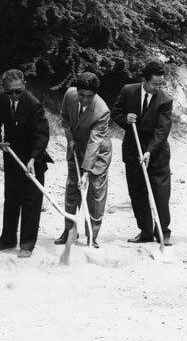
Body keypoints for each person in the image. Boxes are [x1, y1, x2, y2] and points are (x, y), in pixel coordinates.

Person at [0, 70, 52, 258]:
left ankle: (27, 245)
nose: (14, 95)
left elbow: (42, 134)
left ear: (24, 85)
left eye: (18, 91)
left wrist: (32, 159)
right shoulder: (2, 99)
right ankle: (7, 240)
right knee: (11, 198)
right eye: (10, 92)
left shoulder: (34, 104)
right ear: (3, 88)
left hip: (33, 158)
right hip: (12, 156)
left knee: (31, 201)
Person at [111, 60, 174, 245]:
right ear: (144, 80)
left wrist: (149, 152)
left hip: (156, 153)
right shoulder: (128, 91)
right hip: (133, 151)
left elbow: (162, 130)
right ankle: (146, 231)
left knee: (160, 194)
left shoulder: (165, 100)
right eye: (155, 84)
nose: (158, 87)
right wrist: (125, 118)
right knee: (137, 194)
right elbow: (116, 113)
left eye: (161, 84)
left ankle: (164, 232)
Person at [54, 72, 112, 248]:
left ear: (95, 94)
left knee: (95, 193)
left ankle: (91, 236)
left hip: (98, 153)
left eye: (89, 96)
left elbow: (94, 142)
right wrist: (70, 137)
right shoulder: (70, 95)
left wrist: (86, 172)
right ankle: (69, 230)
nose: (84, 99)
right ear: (77, 91)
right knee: (72, 189)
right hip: (76, 147)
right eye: (82, 95)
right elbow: (64, 118)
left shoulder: (102, 111)